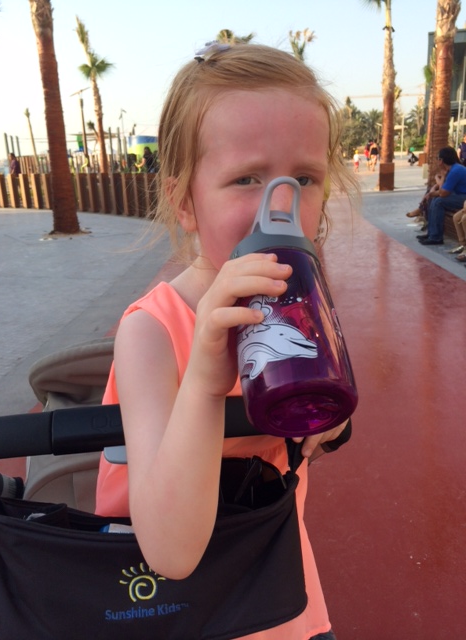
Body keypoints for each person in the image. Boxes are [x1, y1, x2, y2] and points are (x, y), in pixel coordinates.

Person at [95, 43, 358, 640]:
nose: (280, 205)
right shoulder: (150, 332)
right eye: (246, 179)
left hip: (282, 599)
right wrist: (206, 382)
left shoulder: (298, 301)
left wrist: (329, 420)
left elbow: (313, 437)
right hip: (181, 612)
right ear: (184, 201)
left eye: (304, 179)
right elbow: (171, 552)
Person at [417, 146, 466, 245]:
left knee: (439, 202)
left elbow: (443, 193)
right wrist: (431, 194)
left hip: (463, 198)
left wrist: (431, 193)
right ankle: (431, 233)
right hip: (459, 195)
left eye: (438, 158)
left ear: (441, 160)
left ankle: (436, 237)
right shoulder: (453, 169)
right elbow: (442, 190)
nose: (437, 161)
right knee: (434, 199)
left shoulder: (455, 171)